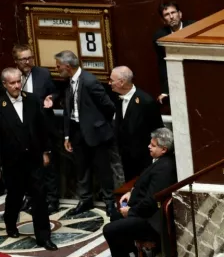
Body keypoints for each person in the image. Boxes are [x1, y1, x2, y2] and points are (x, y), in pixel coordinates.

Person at [102, 128, 177, 257]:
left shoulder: (165, 167)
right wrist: (131, 192)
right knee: (115, 216)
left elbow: (152, 200)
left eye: (153, 145)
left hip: (151, 221)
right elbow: (144, 181)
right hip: (142, 212)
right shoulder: (160, 162)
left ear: (163, 149)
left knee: (110, 230)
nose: (149, 147)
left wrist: (130, 212)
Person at [56, 50, 119, 216]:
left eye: (59, 66)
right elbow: (68, 110)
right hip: (77, 132)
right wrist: (67, 135)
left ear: (67, 66)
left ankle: (110, 202)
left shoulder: (90, 81)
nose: (57, 69)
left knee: (103, 170)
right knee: (81, 169)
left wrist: (98, 124)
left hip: (96, 133)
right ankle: (85, 200)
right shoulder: (68, 82)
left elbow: (109, 106)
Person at [0, 68, 57, 250]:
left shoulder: (31, 100)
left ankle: (44, 237)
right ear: (4, 84)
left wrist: (45, 151)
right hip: (11, 161)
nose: (17, 86)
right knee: (15, 196)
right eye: (12, 83)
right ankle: (10, 222)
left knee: (39, 197)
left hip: (33, 158)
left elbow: (42, 128)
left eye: (19, 81)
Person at [12, 44, 59, 214]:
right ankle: (30, 197)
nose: (28, 61)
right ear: (16, 61)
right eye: (24, 59)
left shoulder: (43, 73)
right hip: (22, 129)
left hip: (43, 127)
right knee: (27, 167)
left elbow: (55, 92)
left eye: (30, 58)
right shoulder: (11, 76)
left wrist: (51, 98)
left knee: (49, 166)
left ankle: (53, 200)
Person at [109, 66, 164, 181]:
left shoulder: (145, 101)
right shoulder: (117, 97)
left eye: (112, 80)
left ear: (121, 82)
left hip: (144, 159)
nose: (109, 83)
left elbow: (158, 130)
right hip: (126, 158)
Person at [152, 2, 194, 104]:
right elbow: (163, 64)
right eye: (167, 15)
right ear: (163, 20)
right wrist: (165, 90)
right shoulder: (160, 36)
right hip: (176, 77)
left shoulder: (193, 27)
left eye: (173, 13)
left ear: (180, 14)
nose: (171, 17)